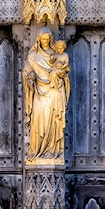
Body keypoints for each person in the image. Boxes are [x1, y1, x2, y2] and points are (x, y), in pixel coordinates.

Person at [22, 31, 71, 163]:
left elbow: (65, 71)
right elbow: (26, 72)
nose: (45, 42)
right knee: (38, 120)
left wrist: (60, 74)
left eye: (47, 39)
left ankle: (53, 151)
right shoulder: (32, 56)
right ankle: (38, 151)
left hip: (54, 91)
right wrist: (30, 78)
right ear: (38, 40)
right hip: (38, 92)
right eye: (43, 39)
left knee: (53, 122)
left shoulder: (56, 54)